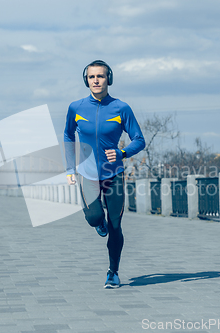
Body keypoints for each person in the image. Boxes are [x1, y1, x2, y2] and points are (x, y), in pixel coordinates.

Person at [64, 60, 145, 288]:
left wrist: (122, 152)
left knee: (116, 226)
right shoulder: (76, 108)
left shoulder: (121, 108)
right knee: (93, 218)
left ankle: (113, 272)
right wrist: (70, 169)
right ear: (86, 80)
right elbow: (69, 136)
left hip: (114, 174)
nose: (96, 80)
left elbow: (139, 140)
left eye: (100, 76)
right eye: (92, 77)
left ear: (109, 78)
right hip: (87, 173)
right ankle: (99, 222)